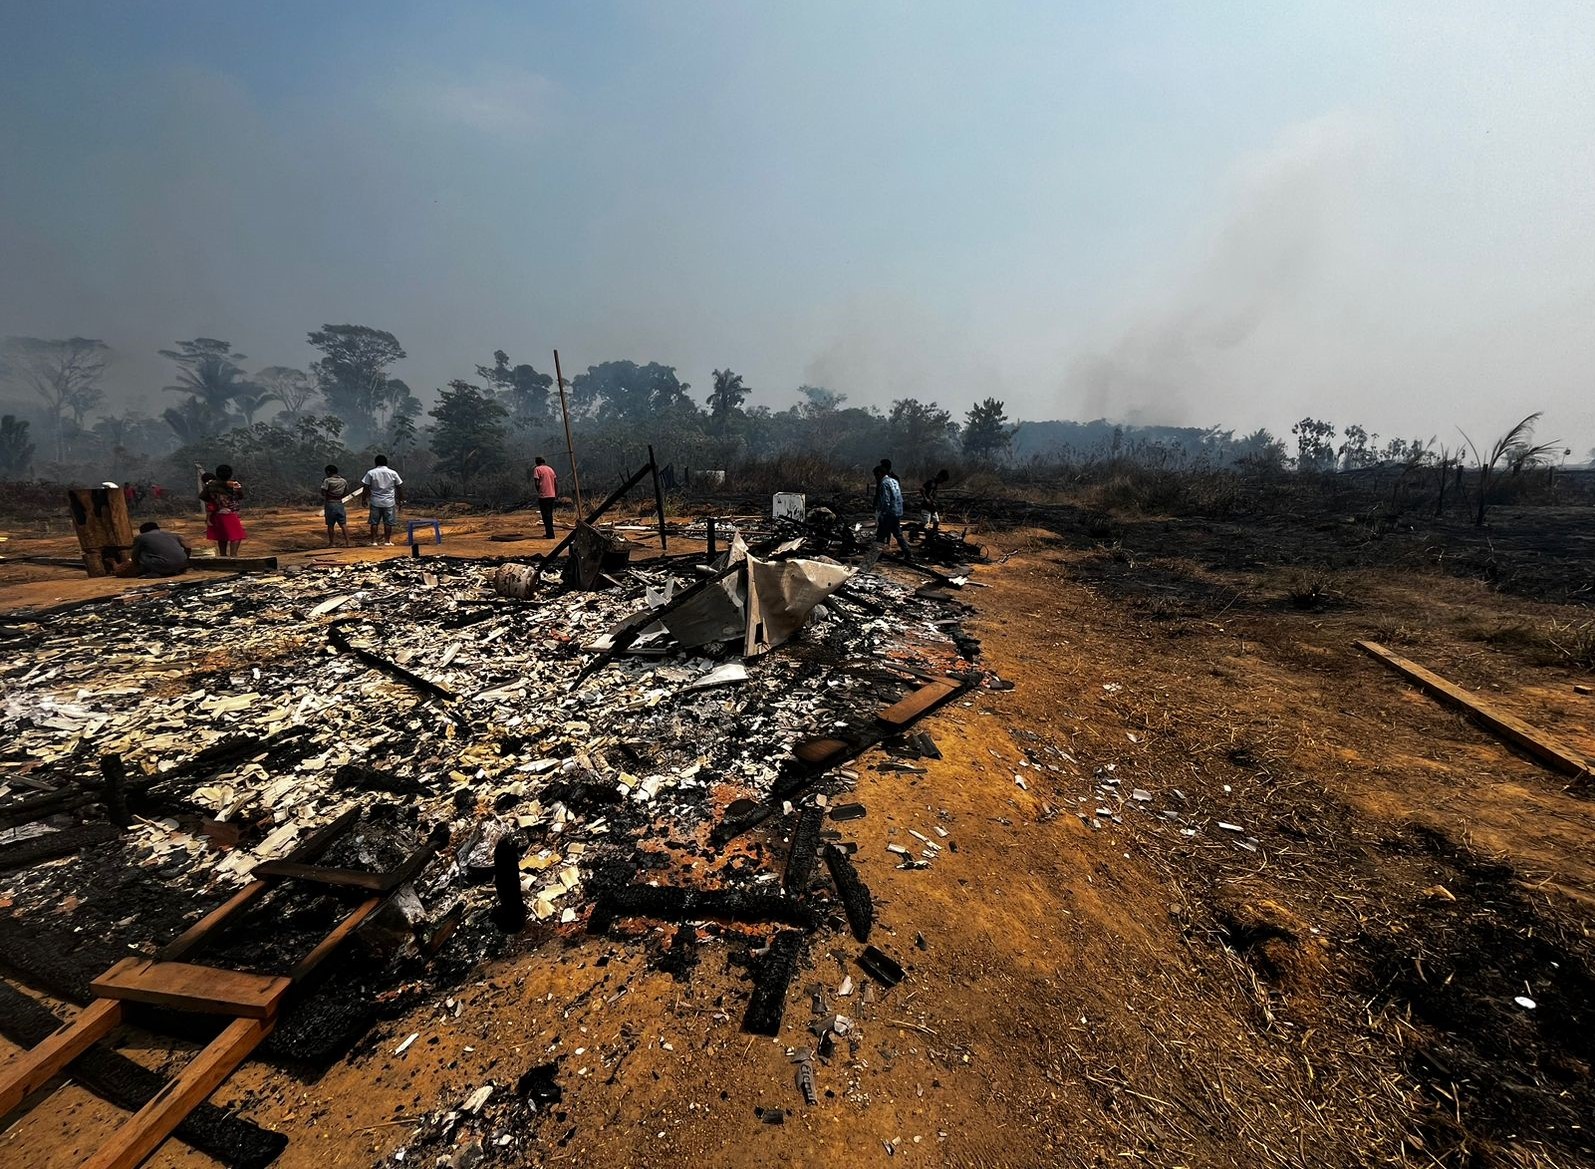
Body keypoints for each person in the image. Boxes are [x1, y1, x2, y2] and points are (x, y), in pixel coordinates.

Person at [114, 522, 190, 578]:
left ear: (142, 532)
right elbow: (188, 547)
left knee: (141, 552)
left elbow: (135, 555)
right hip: (181, 566)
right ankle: (171, 571)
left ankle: (153, 572)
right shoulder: (173, 535)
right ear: (158, 528)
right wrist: (185, 559)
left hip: (163, 565)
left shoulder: (141, 537)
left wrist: (136, 567)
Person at [201, 464, 247, 556]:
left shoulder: (211, 486)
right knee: (237, 535)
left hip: (216, 514)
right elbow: (241, 496)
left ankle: (223, 556)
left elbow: (203, 496)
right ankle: (233, 556)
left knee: (222, 536)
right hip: (229, 514)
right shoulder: (231, 485)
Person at [362, 454, 404, 547]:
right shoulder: (393, 473)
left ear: (376, 462)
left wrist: (364, 499)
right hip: (389, 502)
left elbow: (366, 487)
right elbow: (399, 487)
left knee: (374, 522)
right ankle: (387, 541)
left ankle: (373, 541)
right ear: (386, 462)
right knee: (388, 522)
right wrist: (401, 499)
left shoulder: (371, 473)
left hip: (375, 501)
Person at [874, 460, 913, 560]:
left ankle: (875, 556)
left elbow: (886, 500)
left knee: (880, 535)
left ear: (879, 474)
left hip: (888, 513)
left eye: (876, 476)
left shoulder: (884, 484)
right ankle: (908, 553)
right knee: (897, 534)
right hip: (897, 511)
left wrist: (881, 514)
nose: (876, 478)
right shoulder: (894, 481)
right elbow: (899, 497)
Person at [320, 464, 352, 547]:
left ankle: (332, 543)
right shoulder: (343, 481)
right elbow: (346, 491)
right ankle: (348, 542)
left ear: (328, 472)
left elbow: (323, 492)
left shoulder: (327, 481)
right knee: (343, 524)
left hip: (330, 503)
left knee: (330, 525)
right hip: (339, 503)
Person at [532, 455, 558, 539]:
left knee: (545, 515)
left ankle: (550, 534)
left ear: (537, 463)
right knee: (549, 514)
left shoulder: (537, 469)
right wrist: (555, 493)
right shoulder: (550, 469)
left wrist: (539, 491)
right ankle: (549, 532)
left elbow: (536, 482)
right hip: (552, 494)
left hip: (544, 495)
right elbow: (556, 482)